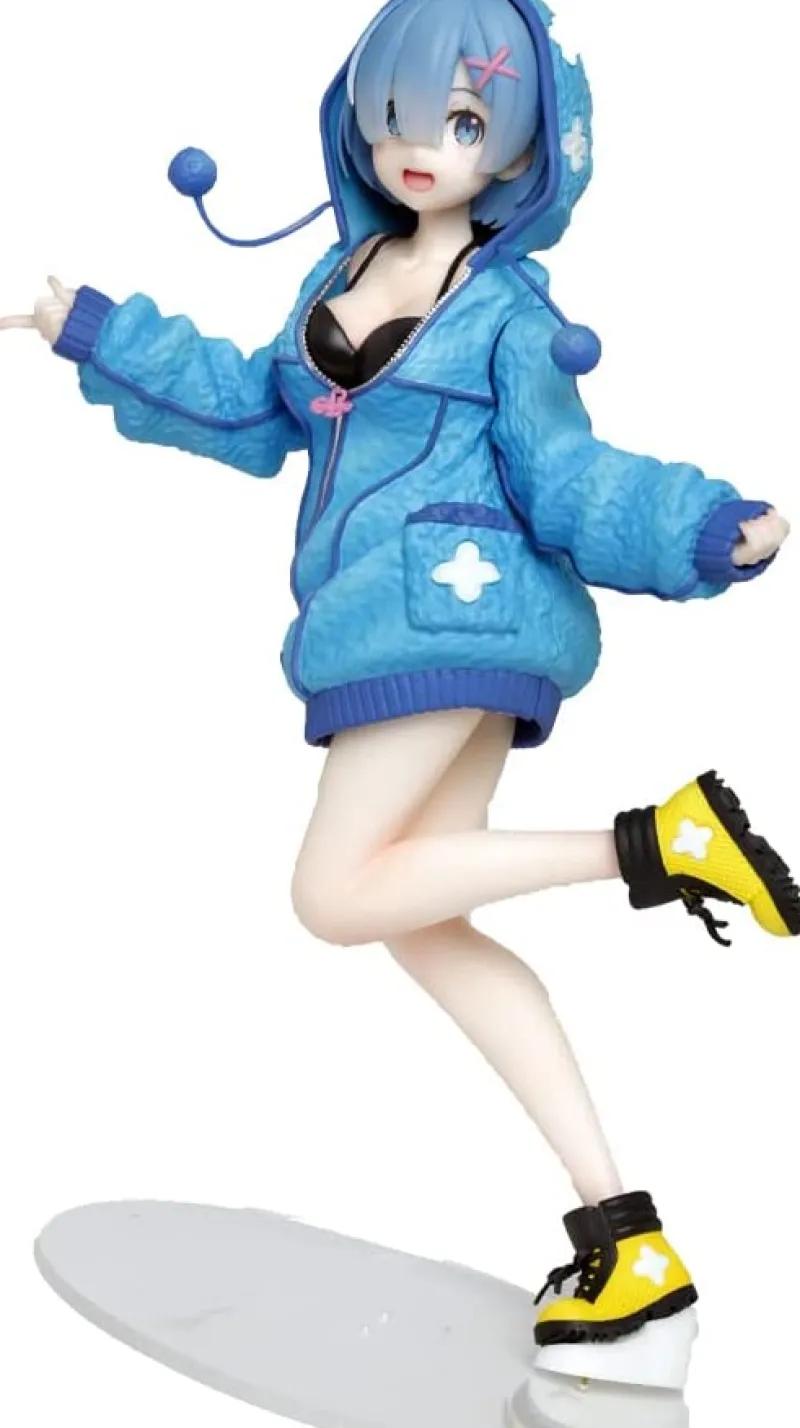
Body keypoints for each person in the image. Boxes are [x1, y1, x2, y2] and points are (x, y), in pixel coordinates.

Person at [2, 0, 796, 1348]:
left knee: (331, 895)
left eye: (468, 121)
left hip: (448, 616)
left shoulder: (509, 315)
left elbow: (568, 474)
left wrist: (699, 527)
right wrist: (89, 327)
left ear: (525, 147)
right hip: (391, 621)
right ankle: (628, 1239)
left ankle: (657, 844)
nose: (425, 146)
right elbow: (249, 406)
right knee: (423, 922)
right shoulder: (343, 271)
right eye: (399, 115)